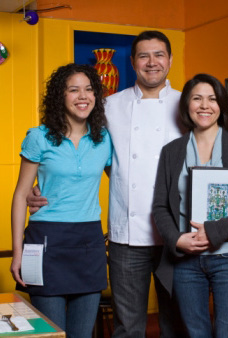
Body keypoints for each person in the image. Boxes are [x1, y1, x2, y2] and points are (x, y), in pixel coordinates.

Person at [27, 31, 185, 338]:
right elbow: (88, 156)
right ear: (132, 61)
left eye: (159, 55)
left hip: (175, 234)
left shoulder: (187, 104)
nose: (151, 63)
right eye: (143, 56)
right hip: (126, 235)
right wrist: (40, 187)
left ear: (170, 60)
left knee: (176, 322)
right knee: (127, 327)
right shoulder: (110, 106)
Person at [152, 73, 228, 338]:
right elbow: (160, 207)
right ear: (187, 106)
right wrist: (177, 240)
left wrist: (215, 231)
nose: (205, 105)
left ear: (221, 106)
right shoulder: (171, 151)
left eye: (212, 99)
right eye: (197, 98)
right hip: (185, 260)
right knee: (195, 333)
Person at [10, 63, 112, 338]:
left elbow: (123, 184)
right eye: (73, 90)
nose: (83, 96)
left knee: (81, 334)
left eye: (89, 89)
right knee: (51, 334)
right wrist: (17, 252)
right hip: (46, 241)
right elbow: (21, 194)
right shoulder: (39, 137)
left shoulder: (104, 140)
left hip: (89, 241)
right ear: (60, 96)